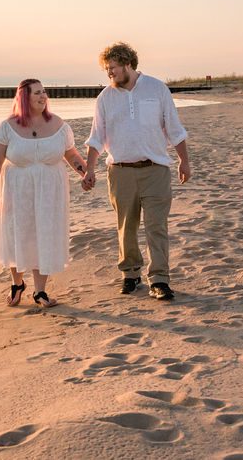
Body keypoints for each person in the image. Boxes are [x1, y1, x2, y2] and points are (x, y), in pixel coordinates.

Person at [81, 42, 191, 301]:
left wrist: (184, 161)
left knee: (156, 226)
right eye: (107, 70)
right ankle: (130, 275)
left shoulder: (157, 89)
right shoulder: (105, 97)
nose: (110, 74)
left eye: (113, 69)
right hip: (120, 172)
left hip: (156, 170)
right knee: (126, 227)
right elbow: (97, 137)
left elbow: (173, 128)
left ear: (128, 63)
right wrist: (89, 169)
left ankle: (160, 280)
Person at [0, 78, 90, 308]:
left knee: (44, 235)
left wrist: (84, 172)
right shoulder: (6, 127)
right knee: (17, 235)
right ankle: (17, 283)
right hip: (16, 190)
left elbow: (70, 155)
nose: (43, 96)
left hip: (49, 191)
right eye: (38, 93)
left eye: (44, 92)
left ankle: (40, 291)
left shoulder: (59, 125)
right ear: (25, 98)